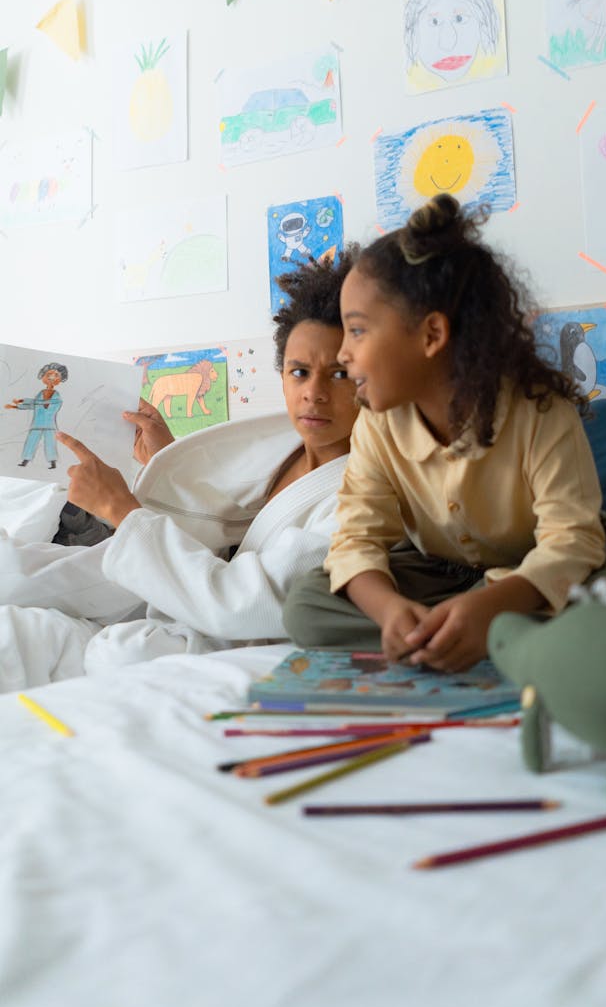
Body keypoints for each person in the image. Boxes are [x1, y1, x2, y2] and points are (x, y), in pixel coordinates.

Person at [283, 195, 606, 672]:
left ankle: (471, 628)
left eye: (357, 331)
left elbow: (571, 542)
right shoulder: (376, 423)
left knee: (602, 601)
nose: (344, 355)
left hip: (540, 567)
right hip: (438, 572)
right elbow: (356, 537)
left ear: (431, 335)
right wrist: (390, 611)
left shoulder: (540, 411)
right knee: (306, 606)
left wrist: (489, 604)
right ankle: (455, 634)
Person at [0, 253, 359, 690]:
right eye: (299, 372)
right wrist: (166, 459)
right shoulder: (282, 444)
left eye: (340, 374)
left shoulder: (364, 495)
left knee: (50, 641)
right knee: (17, 587)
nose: (314, 394)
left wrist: (122, 510)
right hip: (165, 586)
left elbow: (248, 603)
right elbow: (228, 529)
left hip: (210, 628)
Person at [5, 362, 69, 470]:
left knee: (50, 443)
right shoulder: (40, 393)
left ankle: (53, 462)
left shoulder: (57, 396)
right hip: (37, 424)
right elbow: (34, 404)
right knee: (31, 441)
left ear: (60, 379)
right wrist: (16, 405)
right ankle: (25, 460)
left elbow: (43, 403)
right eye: (49, 375)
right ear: (43, 376)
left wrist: (29, 402)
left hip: (49, 425)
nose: (52, 378)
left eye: (56, 376)